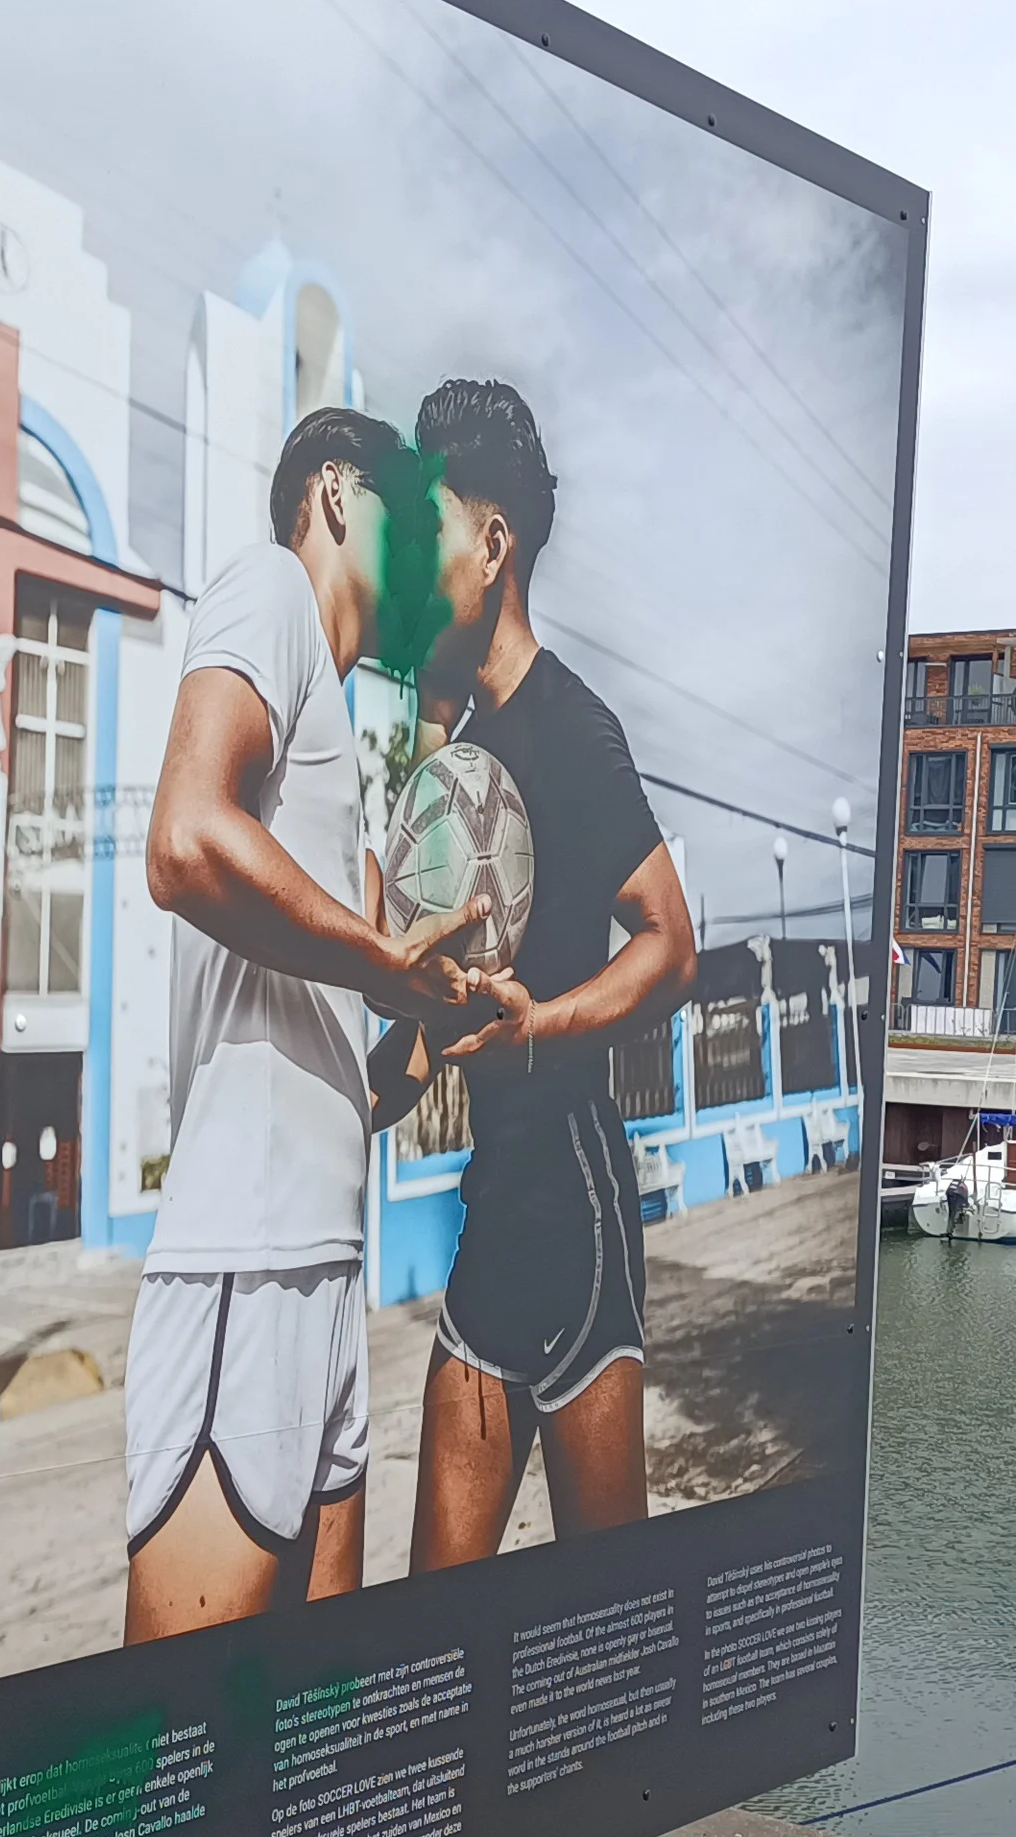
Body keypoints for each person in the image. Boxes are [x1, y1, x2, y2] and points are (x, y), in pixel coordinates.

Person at [121, 408, 486, 1644]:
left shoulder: (339, 731)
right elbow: (182, 839)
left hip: (322, 1270)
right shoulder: (269, 589)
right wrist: (383, 953)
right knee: (173, 1762)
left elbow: (350, 1054)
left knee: (299, 1765)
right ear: (335, 495)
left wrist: (421, 1024)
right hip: (246, 1255)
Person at [401, 379, 696, 1572]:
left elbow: (670, 942)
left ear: (493, 538)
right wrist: (427, 723)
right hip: (494, 1212)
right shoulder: (457, 739)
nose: (419, 567)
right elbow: (411, 948)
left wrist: (542, 1031)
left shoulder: (573, 730)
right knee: (431, 1626)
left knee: (601, 1623)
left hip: (577, 1204)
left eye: (431, 532)